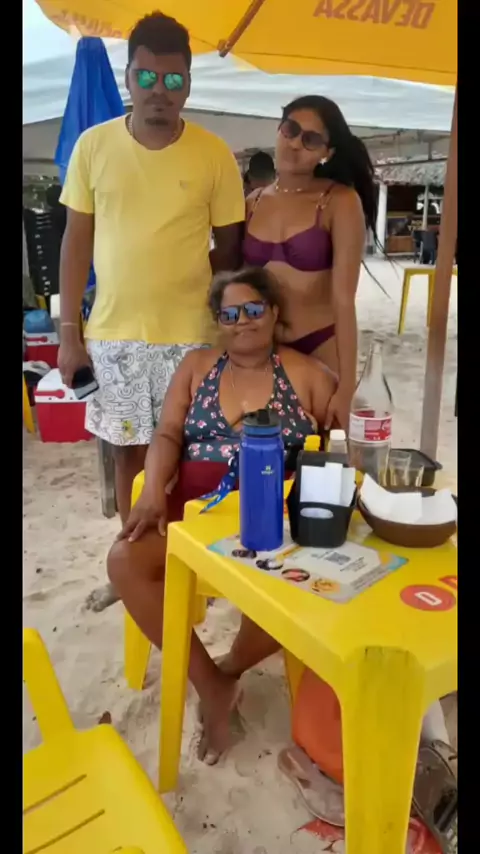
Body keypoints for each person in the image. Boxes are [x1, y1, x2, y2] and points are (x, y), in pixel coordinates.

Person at [107, 267, 337, 762]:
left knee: (303, 589)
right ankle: (209, 683)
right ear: (218, 322)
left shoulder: (309, 375)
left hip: (274, 526)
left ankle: (227, 670)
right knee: (124, 560)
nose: (242, 322)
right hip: (194, 517)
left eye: (253, 309)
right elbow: (168, 433)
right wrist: (152, 491)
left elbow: (342, 449)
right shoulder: (197, 366)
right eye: (229, 314)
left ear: (274, 313)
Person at [58, 12, 245, 611]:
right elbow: (76, 241)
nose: (158, 91)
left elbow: (230, 253)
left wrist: (223, 331)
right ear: (129, 76)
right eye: (146, 77)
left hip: (192, 338)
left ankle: (185, 571)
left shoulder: (215, 155)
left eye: (172, 80)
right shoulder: (94, 147)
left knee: (188, 458)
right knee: (128, 456)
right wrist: (69, 333)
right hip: (114, 335)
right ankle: (132, 567)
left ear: (187, 84)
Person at [243, 95, 379, 431]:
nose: (294, 144)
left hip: (320, 343)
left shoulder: (339, 201)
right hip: (266, 347)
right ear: (279, 129)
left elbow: (344, 300)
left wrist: (346, 387)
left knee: (327, 450)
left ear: (326, 153)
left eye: (311, 139)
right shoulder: (252, 203)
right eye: (290, 130)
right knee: (266, 447)